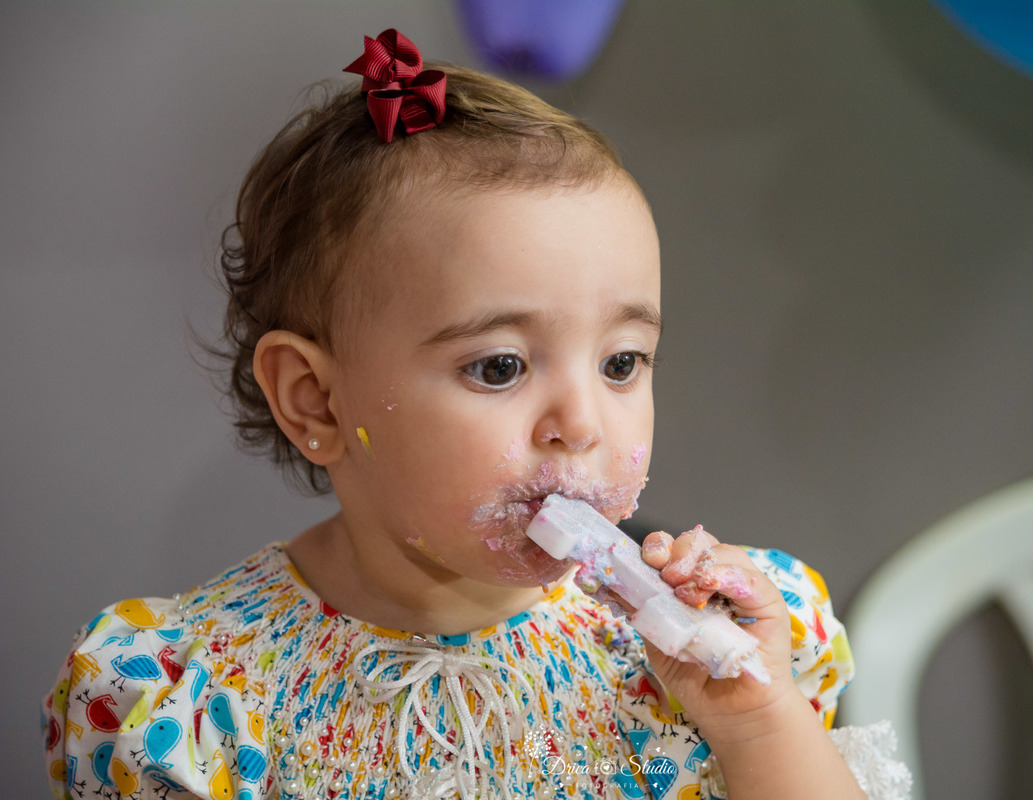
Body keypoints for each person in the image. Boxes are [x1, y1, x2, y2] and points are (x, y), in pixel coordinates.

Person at [41, 28, 908, 800]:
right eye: (500, 367)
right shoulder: (189, 697)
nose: (581, 421)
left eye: (620, 362)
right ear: (316, 399)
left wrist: (760, 722)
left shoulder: (734, 643)